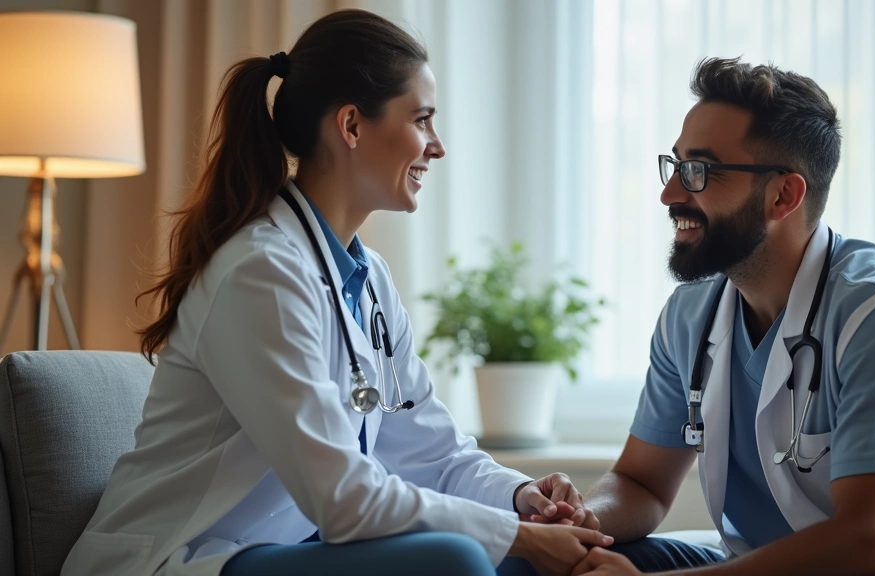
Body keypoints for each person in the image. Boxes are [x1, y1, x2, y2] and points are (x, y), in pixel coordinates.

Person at [61, 9, 611, 576]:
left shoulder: (367, 276)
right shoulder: (262, 273)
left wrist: (523, 498)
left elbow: (432, 451)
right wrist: (515, 536)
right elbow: (344, 498)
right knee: (457, 559)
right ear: (350, 126)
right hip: (186, 556)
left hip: (282, 551)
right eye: (422, 120)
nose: (437, 146)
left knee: (519, 564)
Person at [568, 58, 875, 576]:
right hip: (754, 565)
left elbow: (866, 544)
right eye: (673, 167)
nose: (670, 194)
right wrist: (580, 517)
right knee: (551, 565)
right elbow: (642, 485)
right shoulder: (690, 317)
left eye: (698, 171)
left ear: (784, 194)